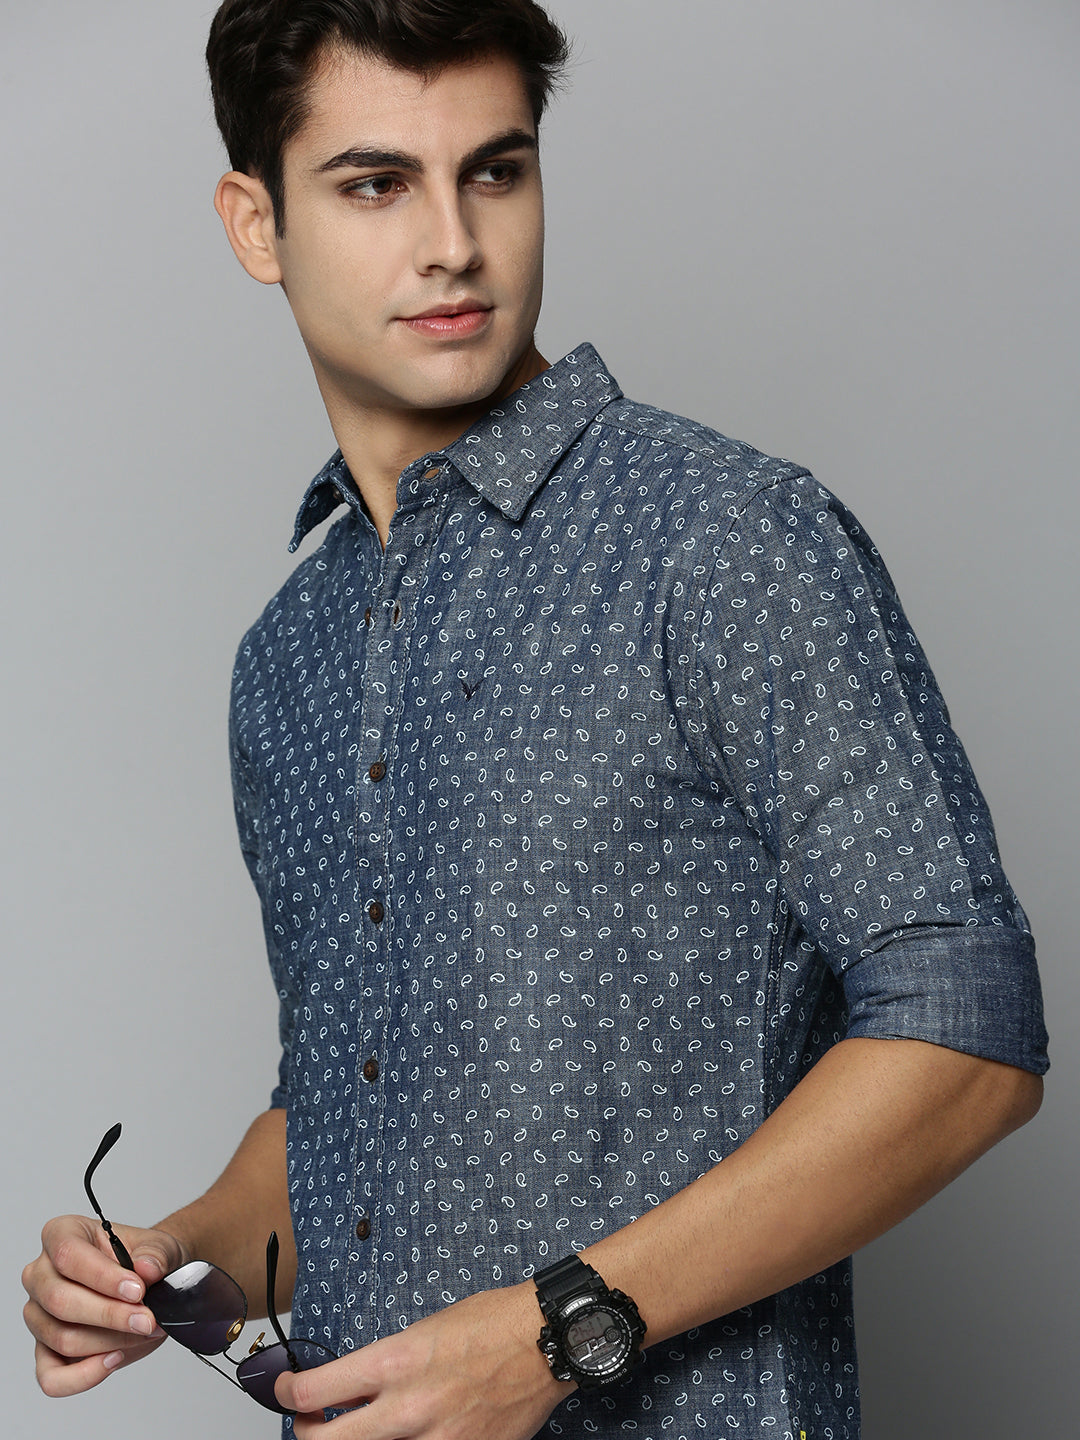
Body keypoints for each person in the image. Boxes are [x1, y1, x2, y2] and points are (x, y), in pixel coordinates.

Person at [22, 2, 1049, 1437]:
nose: (453, 242)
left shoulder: (725, 540)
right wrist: (172, 1261)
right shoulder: (287, 658)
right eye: (376, 185)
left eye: (494, 172)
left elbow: (969, 1032)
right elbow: (344, 1115)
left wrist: (559, 1331)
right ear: (257, 225)